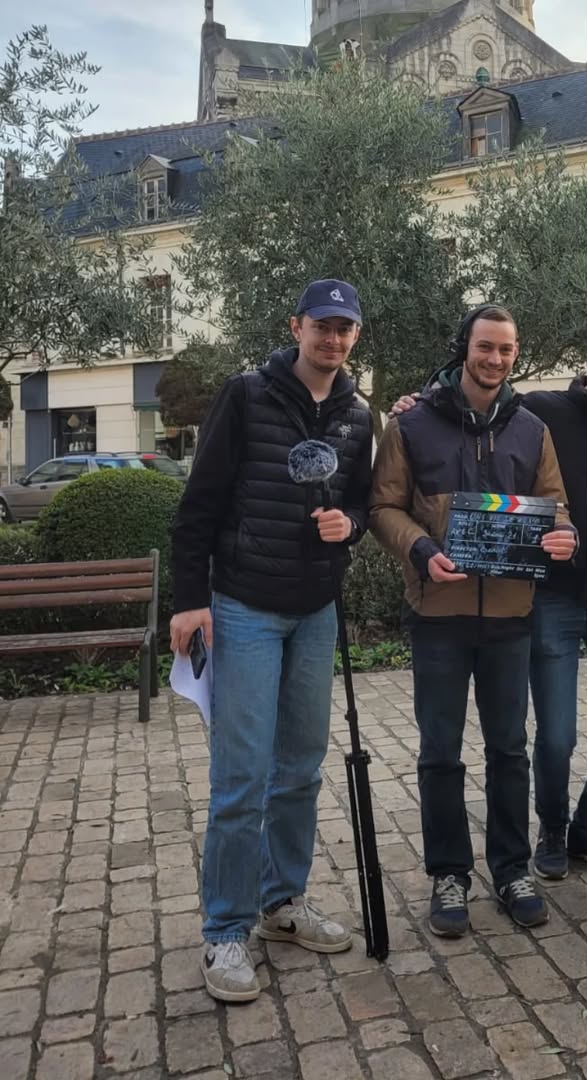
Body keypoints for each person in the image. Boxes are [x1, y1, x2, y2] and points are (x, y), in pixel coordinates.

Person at [170, 279, 373, 1003]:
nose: (334, 338)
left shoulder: (357, 412)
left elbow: (360, 500)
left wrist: (346, 525)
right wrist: (189, 598)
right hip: (246, 607)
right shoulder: (246, 394)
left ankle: (282, 902)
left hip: (315, 610)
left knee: (300, 770)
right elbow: (199, 503)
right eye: (322, 325)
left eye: (345, 328)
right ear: (296, 327)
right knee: (241, 778)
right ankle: (225, 930)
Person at [391, 330, 587, 881]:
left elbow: (555, 506)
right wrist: (414, 400)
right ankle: (495, 858)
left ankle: (558, 847)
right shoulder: (537, 410)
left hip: (574, 603)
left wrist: (566, 532)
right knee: (498, 745)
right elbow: (392, 493)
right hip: (499, 605)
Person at [369, 305, 577, 938]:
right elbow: (382, 505)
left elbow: (556, 506)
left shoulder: (532, 429)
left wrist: (565, 535)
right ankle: (449, 874)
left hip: (512, 617)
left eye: (506, 350)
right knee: (439, 754)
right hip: (439, 615)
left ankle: (513, 868)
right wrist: (421, 550)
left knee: (510, 750)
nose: (495, 359)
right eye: (485, 347)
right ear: (465, 348)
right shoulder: (413, 425)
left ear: (515, 355)